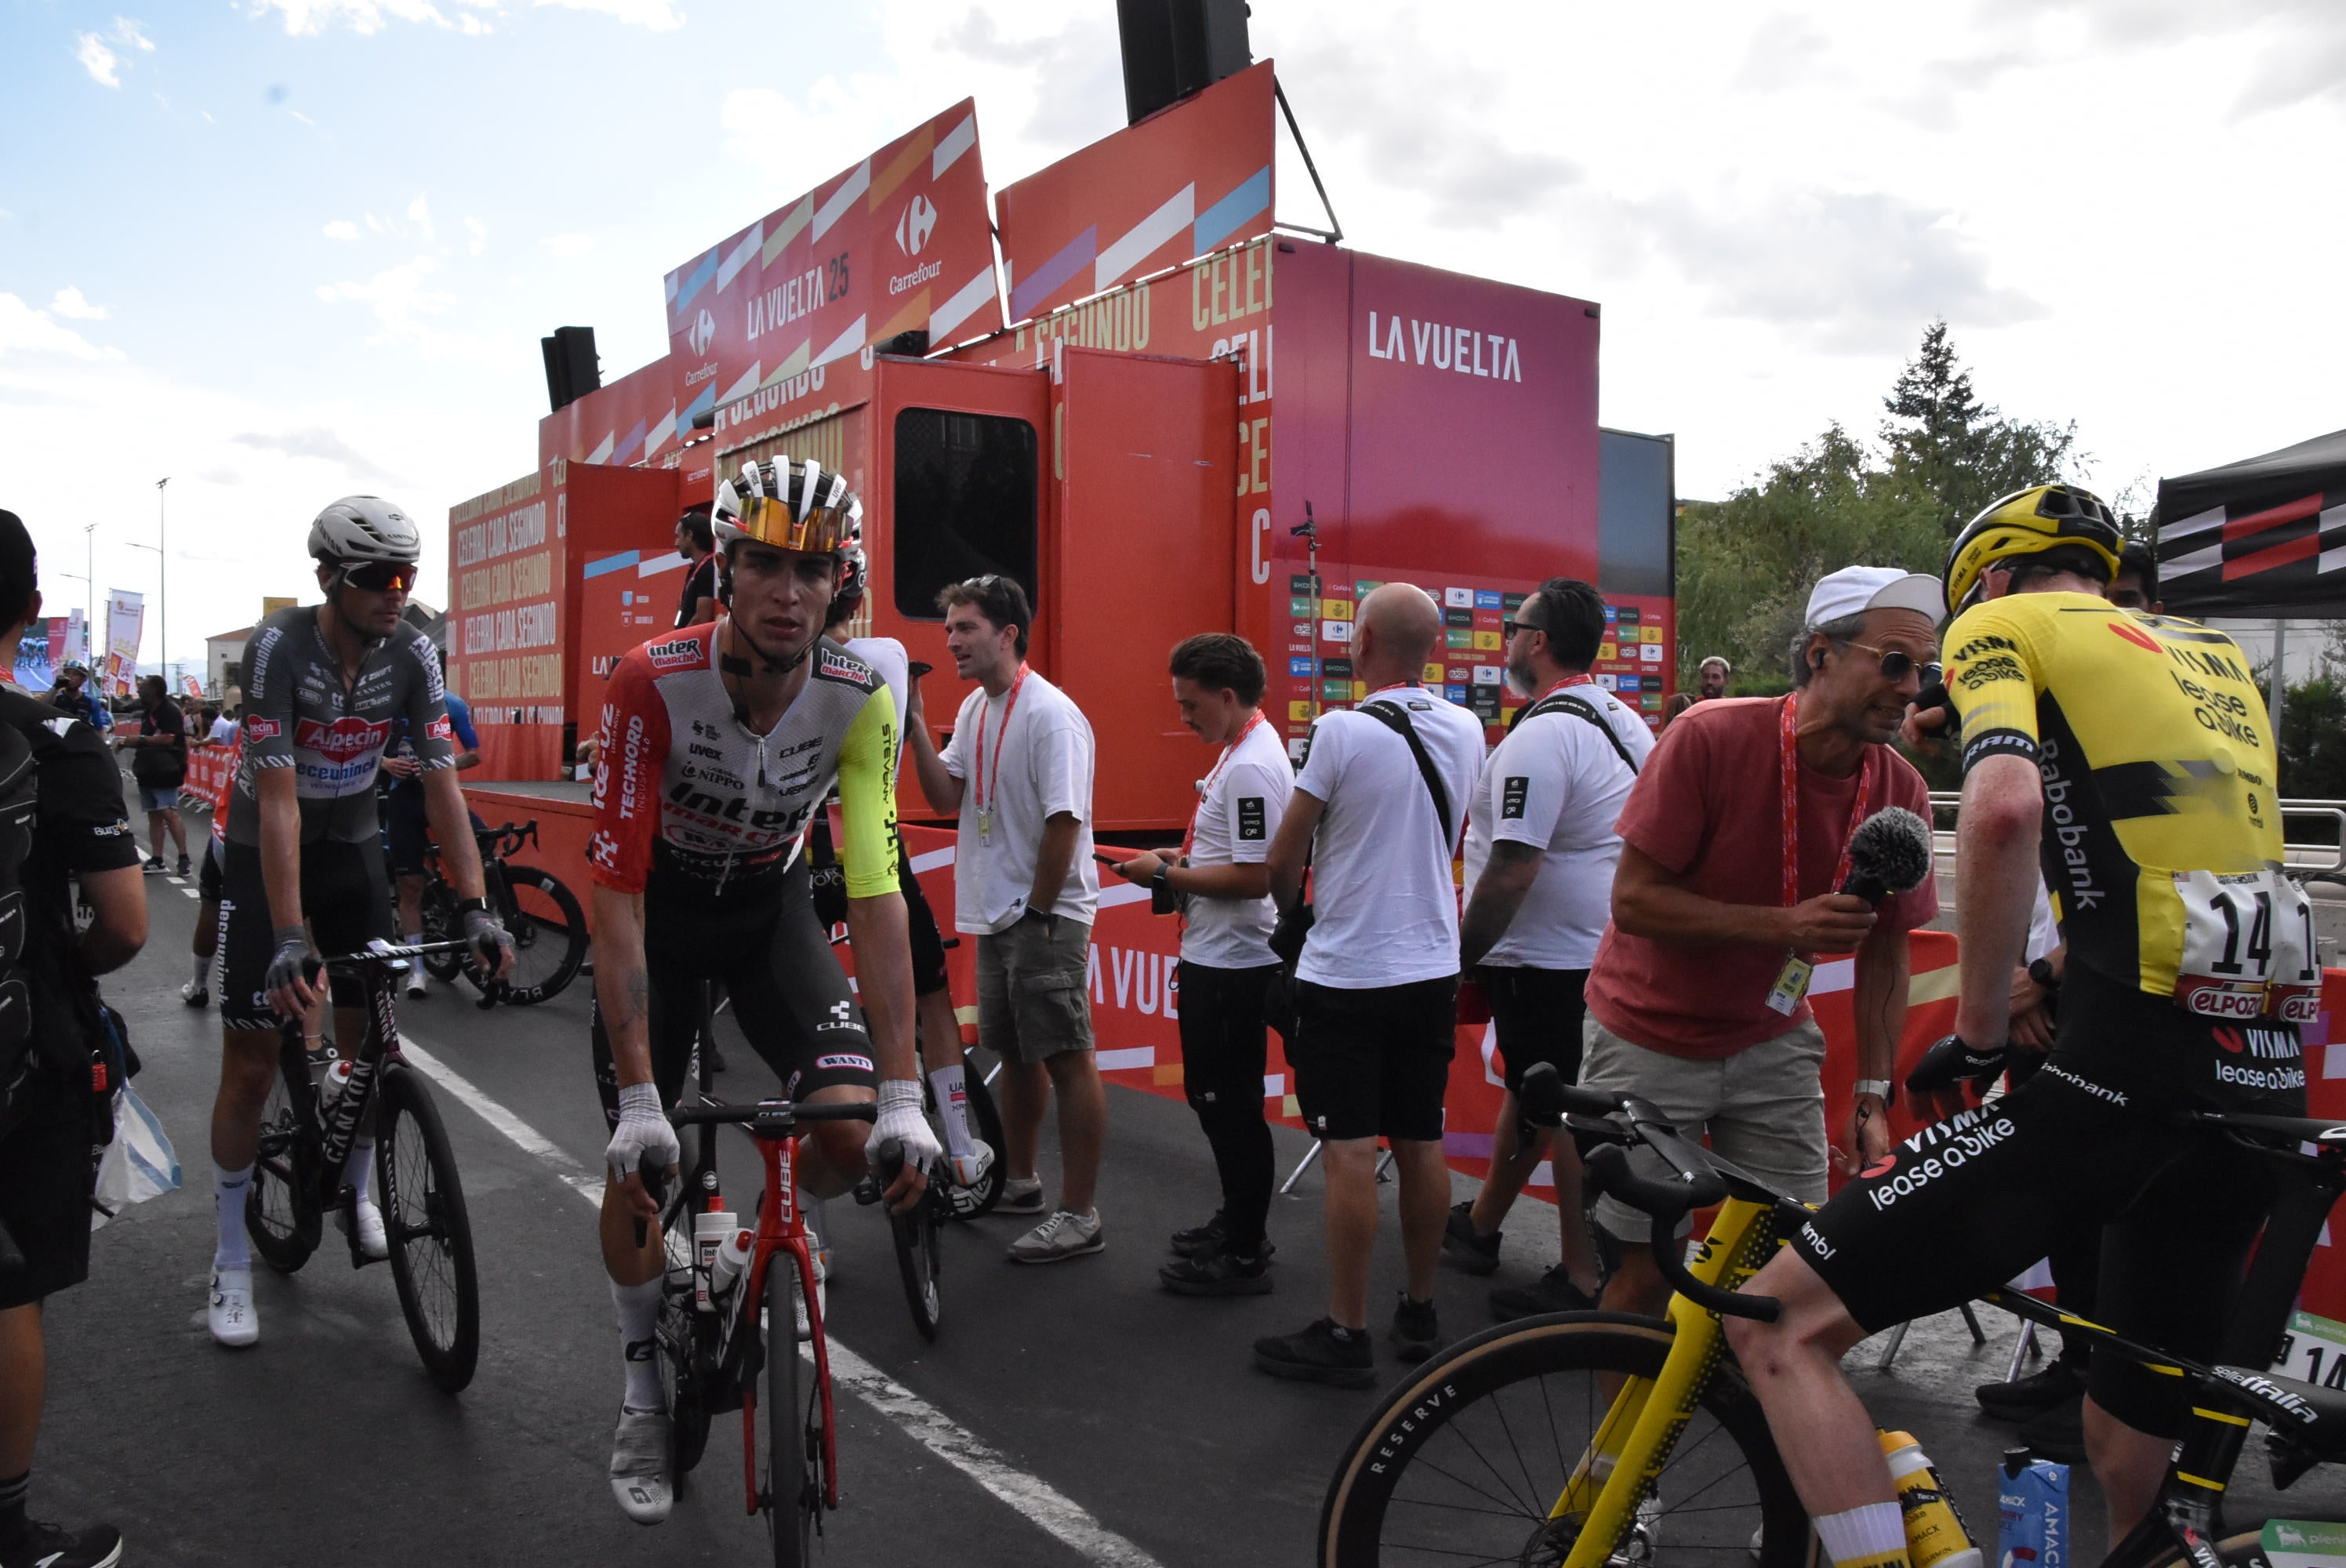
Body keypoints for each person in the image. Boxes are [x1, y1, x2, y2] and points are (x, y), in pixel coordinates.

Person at [1727, 485, 2311, 1555]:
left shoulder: (2006, 621)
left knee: (1777, 1323)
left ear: (1986, 583)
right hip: (2261, 1092)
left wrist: (1987, 1036)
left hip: (2120, 1085)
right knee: (2132, 1438)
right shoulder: (2211, 656)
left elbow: (2001, 810)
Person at [587, 458, 936, 1526]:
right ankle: (644, 1392)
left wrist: (906, 1090)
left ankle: (767, 1239)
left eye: (813, 569)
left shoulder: (861, 696)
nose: (789, 590)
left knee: (843, 1136)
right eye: (765, 564)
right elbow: (612, 891)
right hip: (661, 917)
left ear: (840, 584)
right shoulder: (653, 678)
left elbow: (875, 893)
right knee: (642, 1175)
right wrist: (643, 1091)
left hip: (768, 914)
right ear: (725, 571)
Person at [1585, 566, 1939, 1332]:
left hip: (1773, 1040)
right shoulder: (1709, 735)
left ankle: (1753, 1437)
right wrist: (1784, 927)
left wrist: (1872, 1092)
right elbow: (1632, 902)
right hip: (1650, 1035)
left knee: (1790, 1274)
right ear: (1820, 653)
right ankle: (1616, 1455)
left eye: (1923, 669)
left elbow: (1886, 952)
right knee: (1645, 1268)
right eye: (1893, 663)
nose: (1912, 687)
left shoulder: (1899, 788)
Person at [205, 497, 513, 1351]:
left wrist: (479, 902)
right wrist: (289, 931)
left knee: (369, 1044)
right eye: (378, 578)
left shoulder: (414, 649)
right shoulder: (279, 650)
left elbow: (443, 782)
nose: (396, 593)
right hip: (266, 846)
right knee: (253, 1058)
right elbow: (273, 800)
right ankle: (231, 1253)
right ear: (329, 579)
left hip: (353, 846)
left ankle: (360, 1187)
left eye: (407, 577)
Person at [1255, 583, 1484, 1386]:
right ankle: (1418, 1306)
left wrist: (1298, 921)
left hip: (1349, 965)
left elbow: (1284, 858)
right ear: (1431, 647)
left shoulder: (1341, 730)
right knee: (1420, 1138)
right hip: (1430, 961)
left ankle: (1345, 1329)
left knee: (1349, 1150)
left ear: (1362, 643)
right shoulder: (1466, 727)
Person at [0, 509, 146, 1568]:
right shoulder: (56, 734)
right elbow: (128, 923)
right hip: (21, 1048)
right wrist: (64, 979)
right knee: (8, 1286)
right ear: (26, 606)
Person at [1446, 578, 1653, 1319]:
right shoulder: (1624, 719)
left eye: (1513, 628)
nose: (1504, 641)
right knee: (1535, 1095)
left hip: (1552, 959)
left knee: (1562, 1108)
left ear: (1537, 641)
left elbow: (1511, 866)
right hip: (1597, 951)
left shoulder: (1539, 734)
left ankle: (1581, 1276)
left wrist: (1459, 959)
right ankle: (1479, 1226)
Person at [904, 575, 1106, 1264]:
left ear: (1007, 634)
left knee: (1069, 1059)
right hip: (997, 913)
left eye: (966, 628)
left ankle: (1081, 1215)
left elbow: (1065, 822)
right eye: (951, 628)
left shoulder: (1050, 713)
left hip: (1041, 913)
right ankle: (1021, 1182)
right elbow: (944, 797)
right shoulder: (973, 710)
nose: (953, 640)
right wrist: (913, 725)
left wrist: (1043, 911)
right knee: (1017, 1055)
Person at [1110, 633, 1291, 1295]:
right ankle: (1238, 1222)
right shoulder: (1240, 753)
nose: (1184, 718)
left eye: (1191, 706)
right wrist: (1176, 862)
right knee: (1217, 1102)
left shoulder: (1248, 767)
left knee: (1230, 1105)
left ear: (1226, 696)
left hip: (1233, 964)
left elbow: (1254, 878)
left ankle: (1245, 1251)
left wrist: (1168, 873)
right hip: (1221, 956)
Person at [819, 529, 991, 1188]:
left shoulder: (783, 663)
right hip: (875, 846)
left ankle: (812, 1219)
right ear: (855, 595)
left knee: (803, 1017)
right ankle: (958, 1142)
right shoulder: (884, 653)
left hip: (805, 852)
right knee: (931, 996)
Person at [381, 660, 482, 999]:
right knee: (409, 885)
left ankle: (481, 919)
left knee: (484, 846)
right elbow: (364, 749)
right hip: (403, 796)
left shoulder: (452, 704)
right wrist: (386, 763)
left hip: (440, 792)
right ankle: (417, 970)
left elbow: (474, 753)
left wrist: (442, 764)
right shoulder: (389, 704)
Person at [116, 675, 190, 876]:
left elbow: (168, 739)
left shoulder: (169, 711)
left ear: (154, 691)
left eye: (143, 687)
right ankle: (157, 858)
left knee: (167, 811)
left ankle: (184, 857)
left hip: (166, 768)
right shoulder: (149, 711)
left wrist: (139, 740)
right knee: (154, 814)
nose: (139, 690)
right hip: (147, 767)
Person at [672, 504, 718, 630]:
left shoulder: (708, 569)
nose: (676, 543)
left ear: (689, 536)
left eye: (679, 536)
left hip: (691, 646)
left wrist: (679, 645)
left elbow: (702, 618)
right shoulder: (697, 569)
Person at [1664, 654, 1730, 724]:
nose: (1709, 682)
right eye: (1706, 677)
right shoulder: (1688, 707)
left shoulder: (1732, 709)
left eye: (1715, 677)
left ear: (1726, 681)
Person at [44, 663, 107, 734]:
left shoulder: (92, 701)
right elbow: (40, 708)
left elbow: (98, 728)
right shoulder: (56, 697)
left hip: (81, 740)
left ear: (84, 679)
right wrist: (56, 687)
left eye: (75, 674)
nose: (70, 677)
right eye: (67, 673)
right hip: (58, 740)